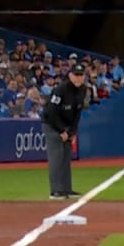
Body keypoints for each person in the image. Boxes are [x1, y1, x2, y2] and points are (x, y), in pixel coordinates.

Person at [41, 63, 87, 200]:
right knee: (56, 157)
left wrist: (72, 132)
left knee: (66, 157)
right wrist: (61, 131)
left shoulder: (83, 90)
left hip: (67, 125)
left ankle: (66, 189)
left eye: (81, 75)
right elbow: (51, 113)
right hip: (51, 124)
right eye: (76, 75)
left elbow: (78, 112)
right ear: (70, 76)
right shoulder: (60, 89)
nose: (79, 78)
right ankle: (55, 191)